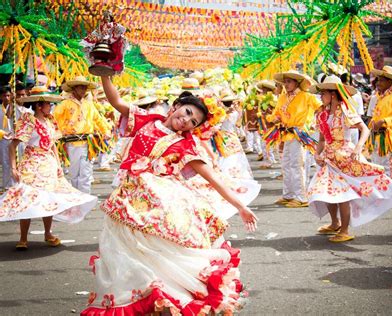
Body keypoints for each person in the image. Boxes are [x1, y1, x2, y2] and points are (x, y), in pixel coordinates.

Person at [81, 76, 259, 315]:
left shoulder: (186, 145)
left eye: (193, 121)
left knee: (158, 250)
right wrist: (105, 74)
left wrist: (240, 206)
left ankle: (166, 295)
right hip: (128, 197)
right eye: (186, 112)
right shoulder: (147, 118)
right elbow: (115, 101)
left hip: (160, 199)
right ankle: (141, 294)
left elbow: (213, 178)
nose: (185, 121)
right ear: (175, 106)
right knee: (123, 249)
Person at [308, 76, 392, 242]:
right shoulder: (322, 115)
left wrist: (358, 147)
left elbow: (365, 129)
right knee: (325, 192)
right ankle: (335, 223)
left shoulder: (345, 111)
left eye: (323, 93)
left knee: (343, 195)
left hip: (345, 157)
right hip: (328, 158)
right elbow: (323, 139)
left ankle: (344, 230)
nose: (320, 97)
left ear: (333, 94)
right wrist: (318, 154)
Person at [0, 87, 97, 250]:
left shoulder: (51, 120)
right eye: (48, 104)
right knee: (28, 199)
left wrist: (58, 165)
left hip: (49, 164)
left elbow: (52, 145)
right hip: (31, 164)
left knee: (49, 199)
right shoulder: (28, 120)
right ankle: (23, 237)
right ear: (39, 106)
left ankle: (48, 233)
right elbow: (13, 145)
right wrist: (13, 168)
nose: (51, 107)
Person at [268, 70, 321, 208]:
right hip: (286, 133)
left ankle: (301, 197)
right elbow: (277, 113)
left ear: (297, 82)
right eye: (285, 82)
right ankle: (288, 195)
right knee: (286, 164)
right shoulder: (283, 97)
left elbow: (321, 108)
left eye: (289, 81)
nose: (286, 84)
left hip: (299, 134)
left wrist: (312, 123)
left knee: (297, 165)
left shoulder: (306, 96)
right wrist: (275, 118)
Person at [54, 76, 111, 193]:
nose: (83, 90)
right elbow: (54, 119)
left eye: (85, 88)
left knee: (86, 173)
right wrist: (58, 132)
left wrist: (105, 131)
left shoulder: (89, 105)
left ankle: (86, 200)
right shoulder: (64, 104)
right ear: (74, 88)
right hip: (71, 142)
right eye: (81, 88)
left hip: (88, 143)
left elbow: (98, 119)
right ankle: (77, 198)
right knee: (74, 174)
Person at [367, 66, 392, 183]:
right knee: (378, 165)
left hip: (389, 137)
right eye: (378, 80)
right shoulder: (379, 97)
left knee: (391, 166)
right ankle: (383, 192)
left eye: (382, 80)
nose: (379, 83)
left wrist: (383, 121)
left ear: (389, 81)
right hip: (377, 136)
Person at [0, 86, 14, 190]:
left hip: (11, 138)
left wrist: (11, 103)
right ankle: (6, 185)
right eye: (5, 95)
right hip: (2, 138)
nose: (7, 98)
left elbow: (9, 117)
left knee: (12, 161)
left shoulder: (12, 107)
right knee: (5, 162)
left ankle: (13, 184)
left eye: (9, 95)